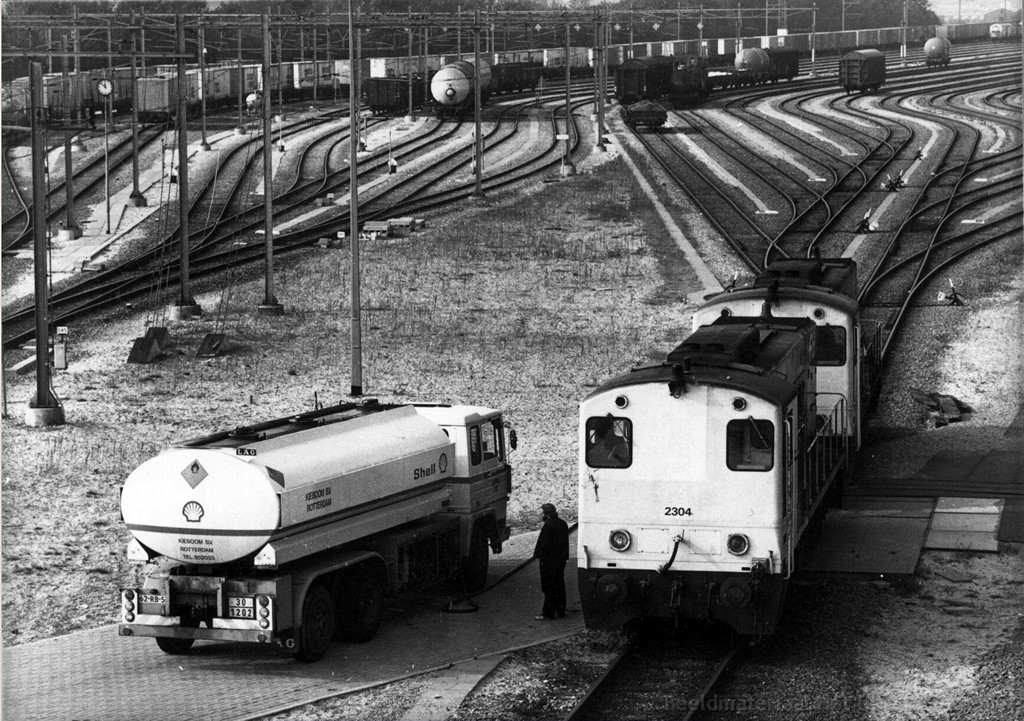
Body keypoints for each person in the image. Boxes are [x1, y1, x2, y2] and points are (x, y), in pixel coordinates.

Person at [533, 503, 569, 621]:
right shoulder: (562, 523)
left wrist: (537, 555)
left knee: (548, 587)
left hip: (549, 561)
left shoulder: (548, 525)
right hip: (560, 560)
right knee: (559, 584)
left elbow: (544, 544)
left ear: (546, 514)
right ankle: (561, 609)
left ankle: (548, 613)